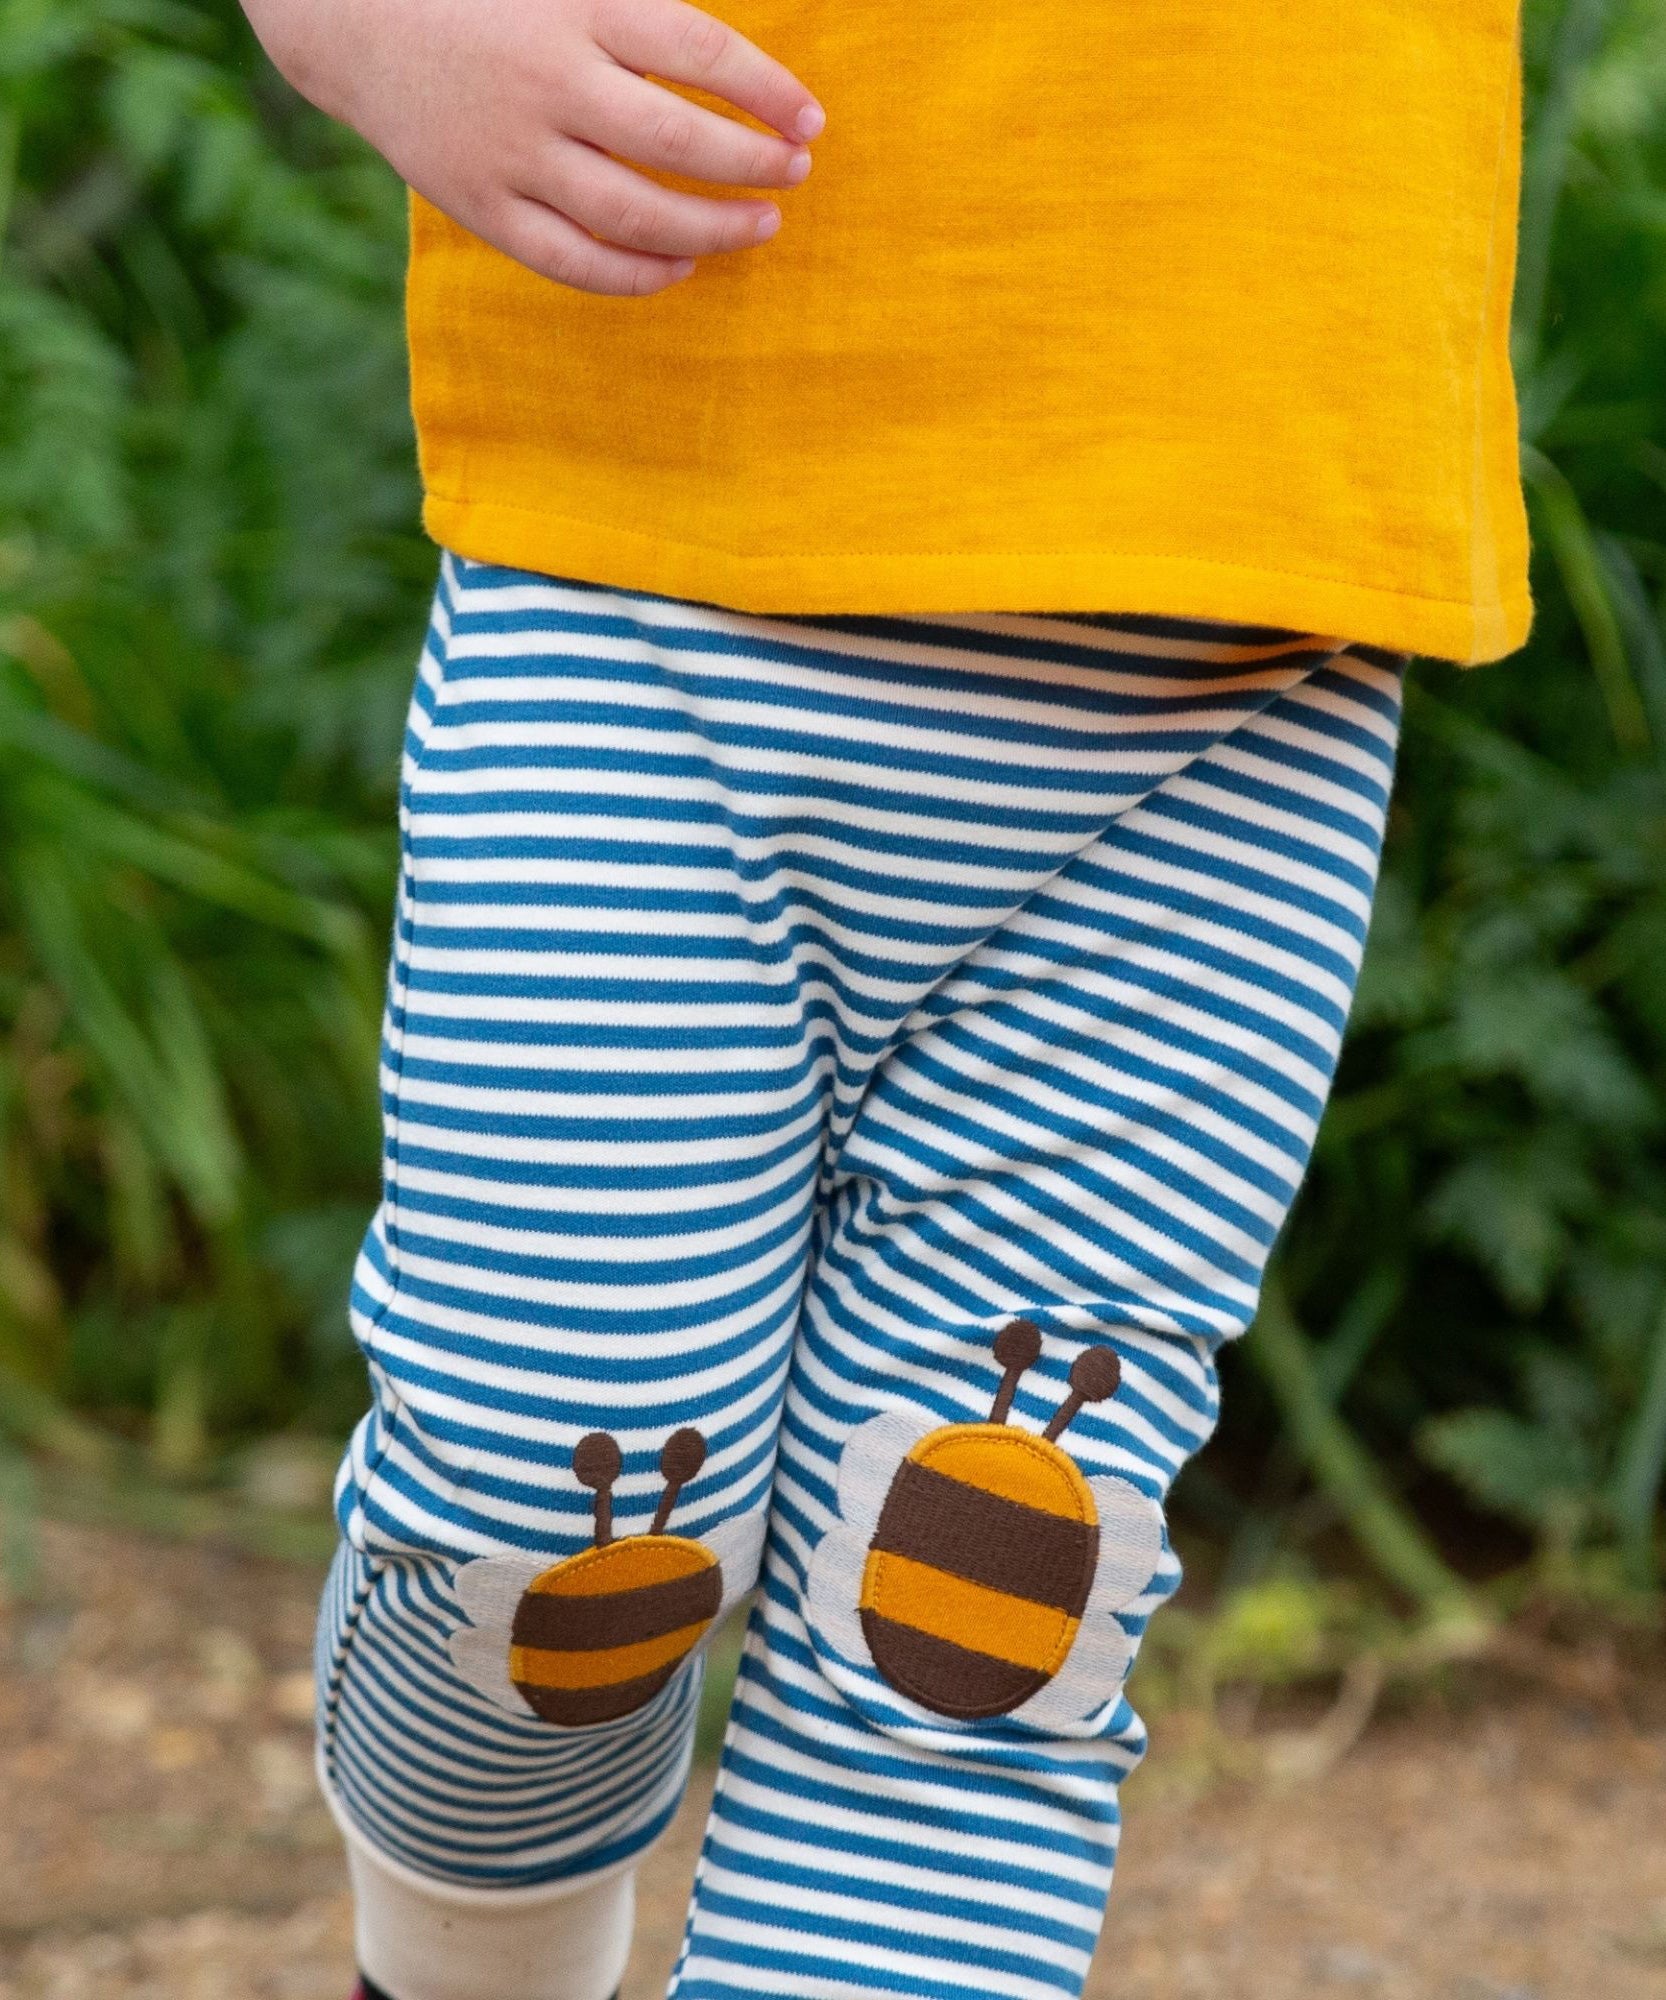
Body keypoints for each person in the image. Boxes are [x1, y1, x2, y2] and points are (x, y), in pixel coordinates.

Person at [239, 1, 1532, 1996]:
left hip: (1232, 641)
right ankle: (467, 1951)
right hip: (660, 538)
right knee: (548, 1531)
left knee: (975, 1619)